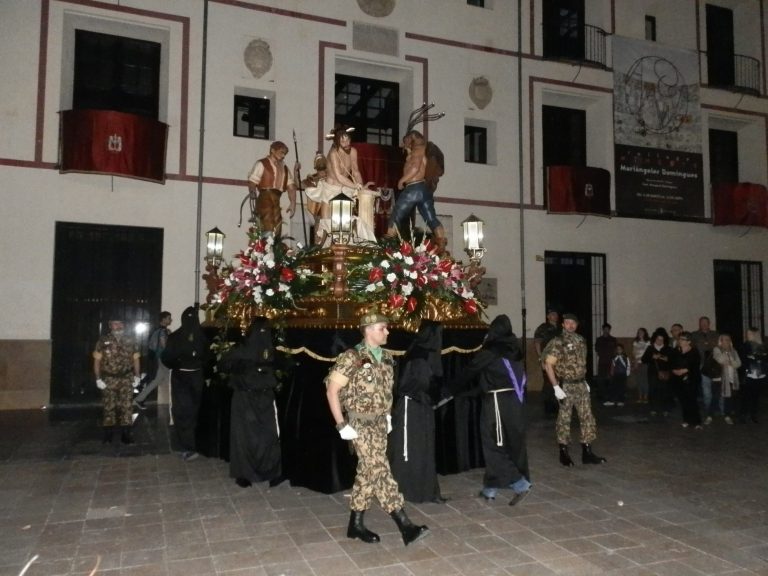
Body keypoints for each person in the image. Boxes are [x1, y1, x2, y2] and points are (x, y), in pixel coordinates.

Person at [325, 313, 428, 546]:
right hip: (360, 424)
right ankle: (405, 525)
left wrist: (388, 416)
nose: (387, 332)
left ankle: (355, 525)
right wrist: (342, 425)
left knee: (367, 473)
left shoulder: (386, 358)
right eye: (383, 328)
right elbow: (332, 391)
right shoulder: (351, 358)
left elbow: (386, 392)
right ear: (368, 330)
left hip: (380, 423)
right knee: (380, 471)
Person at [448, 315, 531, 505]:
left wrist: (449, 389)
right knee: (508, 443)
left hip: (496, 402)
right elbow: (496, 376)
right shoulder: (514, 349)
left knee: (492, 444)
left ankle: (519, 483)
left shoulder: (492, 350)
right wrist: (468, 394)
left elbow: (471, 370)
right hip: (514, 401)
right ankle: (490, 488)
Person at [218, 317, 282, 487]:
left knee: (251, 436)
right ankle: (261, 472)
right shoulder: (267, 348)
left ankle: (252, 473)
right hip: (255, 396)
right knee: (261, 434)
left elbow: (223, 364)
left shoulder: (245, 348)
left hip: (251, 396)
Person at [388, 320, 446, 504]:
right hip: (412, 408)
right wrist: (436, 395)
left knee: (425, 448)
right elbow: (418, 384)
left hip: (422, 407)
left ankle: (427, 490)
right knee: (411, 449)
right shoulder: (419, 356)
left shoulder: (423, 354)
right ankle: (407, 491)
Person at [542, 313, 606, 467]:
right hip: (566, 385)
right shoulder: (558, 342)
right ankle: (563, 452)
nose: (571, 325)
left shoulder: (581, 340)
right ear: (563, 325)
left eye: (573, 323)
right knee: (564, 419)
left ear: (577, 325)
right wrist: (556, 386)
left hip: (581, 384)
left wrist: (585, 381)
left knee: (587, 417)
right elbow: (548, 365)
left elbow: (582, 363)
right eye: (567, 322)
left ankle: (587, 451)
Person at [162, 306, 209, 461]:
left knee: (182, 410)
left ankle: (186, 446)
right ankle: (194, 445)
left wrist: (178, 364)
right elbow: (208, 357)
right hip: (196, 376)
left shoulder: (175, 336)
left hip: (181, 376)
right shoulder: (202, 336)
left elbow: (167, 358)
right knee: (194, 409)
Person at [387, 130, 447, 252]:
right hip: (424, 190)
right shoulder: (423, 149)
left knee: (396, 215)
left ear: (412, 138)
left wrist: (402, 181)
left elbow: (415, 168)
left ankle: (387, 244)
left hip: (413, 188)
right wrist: (408, 151)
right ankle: (442, 244)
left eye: (406, 141)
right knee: (431, 218)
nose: (405, 144)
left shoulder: (417, 150)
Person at [93, 319, 141, 445]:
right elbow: (97, 361)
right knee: (109, 407)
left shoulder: (131, 340)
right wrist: (98, 378)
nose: (118, 326)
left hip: (126, 378)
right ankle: (108, 435)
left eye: (120, 323)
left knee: (127, 407)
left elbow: (135, 359)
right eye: (115, 323)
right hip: (109, 379)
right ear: (110, 326)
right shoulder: (102, 341)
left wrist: (137, 376)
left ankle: (126, 435)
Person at [247, 140, 297, 236]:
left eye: (285, 154)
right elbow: (252, 181)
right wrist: (252, 191)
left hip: (277, 198)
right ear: (273, 150)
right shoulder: (262, 163)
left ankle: (275, 246)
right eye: (281, 152)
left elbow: (291, 187)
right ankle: (266, 247)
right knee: (267, 221)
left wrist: (293, 203)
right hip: (265, 197)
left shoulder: (285, 168)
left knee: (277, 223)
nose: (283, 156)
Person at [134, 311, 172, 410]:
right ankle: (176, 403)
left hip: (159, 359)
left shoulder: (158, 330)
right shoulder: (163, 332)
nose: (170, 320)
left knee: (156, 381)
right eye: (169, 318)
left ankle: (139, 399)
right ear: (163, 320)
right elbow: (164, 346)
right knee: (172, 381)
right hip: (163, 359)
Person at [690, 316, 720, 423]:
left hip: (715, 365)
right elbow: (692, 348)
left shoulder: (716, 334)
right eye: (702, 322)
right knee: (706, 389)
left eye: (705, 322)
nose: (704, 324)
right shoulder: (694, 335)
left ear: (709, 323)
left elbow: (719, 346)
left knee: (716, 389)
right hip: (702, 364)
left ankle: (717, 409)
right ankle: (708, 411)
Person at [671, 331, 703, 429]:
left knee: (692, 400)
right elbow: (671, 362)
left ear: (688, 341)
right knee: (683, 400)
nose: (679, 341)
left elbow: (695, 365)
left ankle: (697, 422)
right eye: (679, 339)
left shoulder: (694, 351)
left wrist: (685, 370)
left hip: (691, 379)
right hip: (678, 379)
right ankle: (686, 420)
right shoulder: (676, 350)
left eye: (682, 339)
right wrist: (674, 370)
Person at [534, 310, 561, 416]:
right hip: (548, 357)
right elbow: (537, 343)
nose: (555, 316)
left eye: (556, 314)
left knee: (559, 381)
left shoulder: (561, 328)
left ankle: (558, 405)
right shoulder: (543, 328)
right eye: (553, 314)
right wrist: (541, 358)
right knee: (548, 382)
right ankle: (549, 407)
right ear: (548, 316)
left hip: (559, 358)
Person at [642, 329, 674, 417]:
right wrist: (652, 357)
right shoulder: (650, 348)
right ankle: (653, 408)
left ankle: (665, 409)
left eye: (661, 339)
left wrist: (665, 358)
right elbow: (643, 359)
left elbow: (672, 360)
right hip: (653, 372)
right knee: (653, 390)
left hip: (665, 372)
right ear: (654, 339)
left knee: (665, 390)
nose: (659, 341)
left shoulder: (668, 348)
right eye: (658, 339)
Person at [712, 334, 741, 425]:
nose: (726, 341)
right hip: (719, 378)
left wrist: (730, 360)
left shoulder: (734, 351)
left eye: (728, 339)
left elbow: (738, 364)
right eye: (724, 340)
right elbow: (720, 359)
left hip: (731, 378)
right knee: (716, 397)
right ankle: (710, 415)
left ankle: (727, 415)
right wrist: (726, 354)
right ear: (720, 341)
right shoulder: (717, 349)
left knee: (729, 398)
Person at [739, 328, 767, 423]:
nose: (748, 335)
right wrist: (753, 358)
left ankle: (753, 414)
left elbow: (764, 358)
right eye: (747, 333)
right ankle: (743, 414)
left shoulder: (762, 346)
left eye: (750, 334)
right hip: (749, 373)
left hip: (760, 374)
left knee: (756, 396)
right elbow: (743, 359)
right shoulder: (745, 345)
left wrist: (757, 358)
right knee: (746, 395)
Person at [594, 323, 617, 404]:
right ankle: (602, 396)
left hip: (610, 361)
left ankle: (610, 396)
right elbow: (597, 349)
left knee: (610, 379)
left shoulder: (613, 339)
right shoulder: (599, 339)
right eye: (605, 329)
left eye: (608, 329)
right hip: (602, 361)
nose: (606, 330)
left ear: (609, 330)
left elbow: (615, 350)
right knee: (601, 379)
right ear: (603, 329)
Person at [631, 327, 650, 404]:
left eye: (641, 332)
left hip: (645, 362)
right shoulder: (636, 341)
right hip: (637, 362)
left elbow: (647, 353)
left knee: (645, 379)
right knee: (638, 379)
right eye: (639, 332)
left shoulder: (648, 342)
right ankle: (640, 396)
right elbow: (633, 352)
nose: (640, 334)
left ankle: (645, 396)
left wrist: (639, 358)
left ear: (645, 333)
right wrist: (635, 361)